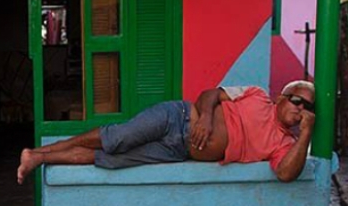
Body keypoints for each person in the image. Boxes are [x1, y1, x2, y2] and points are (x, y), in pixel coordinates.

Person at [17, 80, 315, 183]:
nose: (300, 108)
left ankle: (39, 158)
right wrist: (207, 118)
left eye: (308, 107)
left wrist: (305, 134)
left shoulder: (284, 144)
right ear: (281, 97)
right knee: (116, 137)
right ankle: (40, 152)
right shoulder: (257, 95)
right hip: (178, 116)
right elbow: (209, 94)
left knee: (109, 158)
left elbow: (286, 174)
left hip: (176, 151)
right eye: (297, 100)